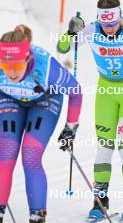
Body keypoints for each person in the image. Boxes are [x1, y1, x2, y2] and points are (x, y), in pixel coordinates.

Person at [57, 0, 123, 221]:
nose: (110, 30)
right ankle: (100, 200)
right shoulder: (93, 30)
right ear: (99, 20)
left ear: (119, 18)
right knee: (104, 148)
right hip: (106, 93)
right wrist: (70, 32)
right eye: (105, 25)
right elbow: (63, 47)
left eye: (113, 25)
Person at [0, 25, 82, 223]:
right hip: (10, 99)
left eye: (17, 67)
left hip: (45, 100)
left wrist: (71, 127)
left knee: (30, 155)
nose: (11, 73)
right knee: (6, 154)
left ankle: (38, 217)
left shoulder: (46, 67)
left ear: (28, 59)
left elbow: (76, 92)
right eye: (4, 66)